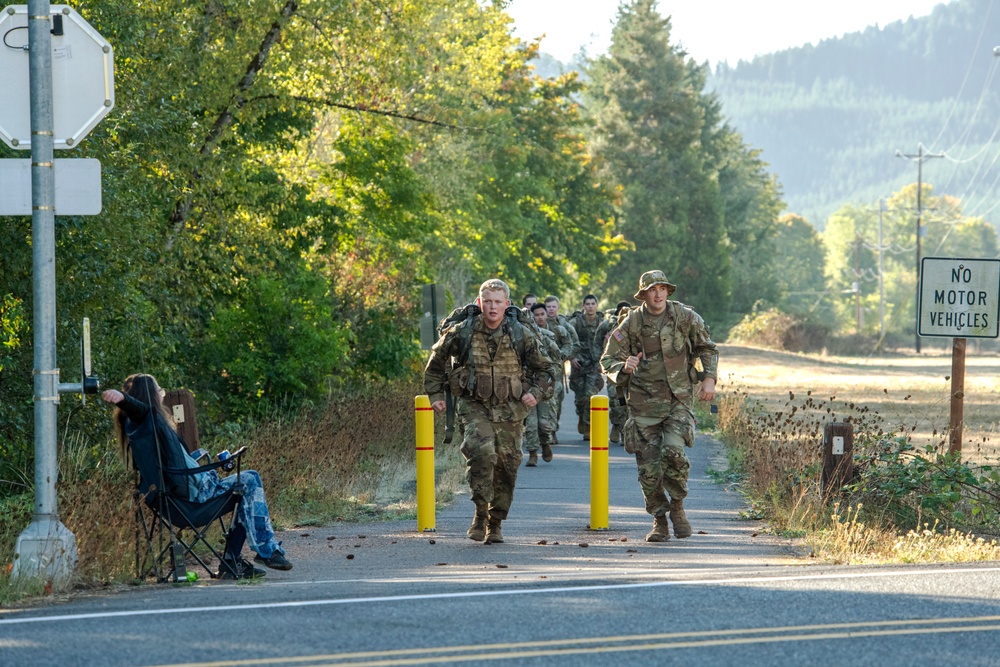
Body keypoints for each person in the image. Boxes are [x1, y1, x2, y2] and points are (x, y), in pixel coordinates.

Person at [102, 374, 292, 578]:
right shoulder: (149, 420)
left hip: (176, 500)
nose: (162, 396)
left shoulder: (140, 429)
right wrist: (123, 399)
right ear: (150, 396)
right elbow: (141, 410)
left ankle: (233, 562)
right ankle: (265, 551)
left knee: (244, 487)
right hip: (192, 502)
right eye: (160, 391)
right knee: (250, 480)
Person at [424, 279, 557, 544]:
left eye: (498, 302)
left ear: (506, 304)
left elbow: (547, 369)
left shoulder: (522, 333)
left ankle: (495, 523)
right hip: (474, 406)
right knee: (481, 452)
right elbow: (435, 363)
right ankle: (480, 514)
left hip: (511, 409)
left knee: (507, 467)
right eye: (488, 302)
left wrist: (536, 392)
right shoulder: (462, 331)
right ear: (479, 303)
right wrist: (436, 395)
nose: (493, 307)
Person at [599, 271, 717, 543]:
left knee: (674, 453)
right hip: (643, 403)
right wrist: (623, 367)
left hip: (677, 399)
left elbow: (707, 347)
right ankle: (659, 520)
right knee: (649, 470)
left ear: (668, 291)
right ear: (643, 294)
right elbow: (607, 361)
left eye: (662, 288)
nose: (658, 293)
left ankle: (677, 507)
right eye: (653, 289)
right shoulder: (632, 322)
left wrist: (709, 378)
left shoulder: (685, 316)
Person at [521, 302, 561, 466]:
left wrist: (551, 380)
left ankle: (545, 443)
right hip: (526, 385)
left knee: (544, 423)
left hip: (544, 384)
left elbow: (557, 361)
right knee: (530, 424)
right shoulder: (517, 339)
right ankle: (532, 454)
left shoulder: (546, 337)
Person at [568, 294, 606, 440]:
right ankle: (581, 416)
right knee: (580, 399)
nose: (590, 306)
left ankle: (588, 426)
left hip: (594, 364)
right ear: (583, 306)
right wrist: (571, 357)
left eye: (592, 304)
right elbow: (567, 339)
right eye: (587, 304)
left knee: (590, 396)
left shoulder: (603, 323)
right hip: (579, 364)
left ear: (596, 305)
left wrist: (604, 361)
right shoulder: (575, 322)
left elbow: (609, 342)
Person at [598, 300, 633, 444]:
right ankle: (616, 425)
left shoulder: (636, 327)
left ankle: (626, 432)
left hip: (632, 370)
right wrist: (599, 360)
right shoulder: (608, 326)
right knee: (616, 400)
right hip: (615, 370)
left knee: (630, 403)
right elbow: (596, 340)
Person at [543, 295, 579, 431]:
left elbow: (575, 344)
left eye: (553, 306)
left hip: (558, 368)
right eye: (548, 307)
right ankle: (548, 431)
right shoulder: (538, 323)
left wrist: (564, 356)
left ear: (558, 308)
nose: (551, 309)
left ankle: (553, 427)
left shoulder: (564, 325)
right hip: (542, 367)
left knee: (557, 399)